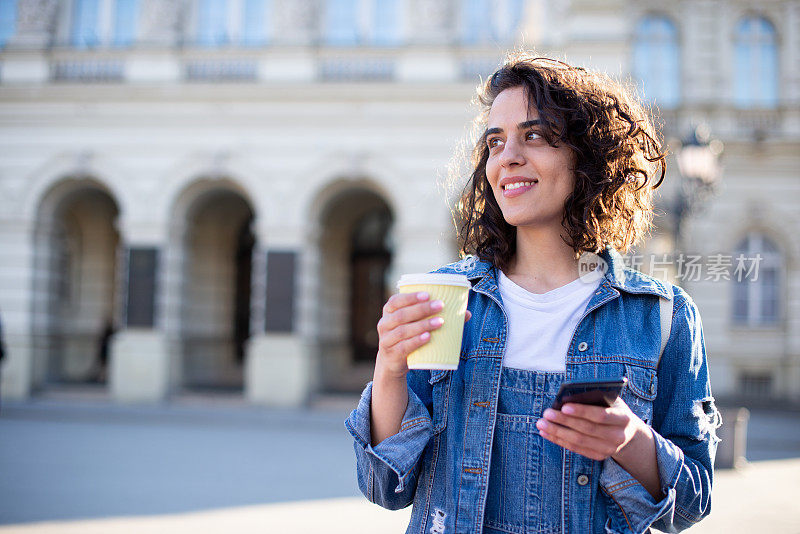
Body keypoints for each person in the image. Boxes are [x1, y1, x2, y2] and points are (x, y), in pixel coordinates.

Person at [345, 51, 720, 534]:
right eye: (495, 142)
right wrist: (390, 368)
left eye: (536, 136)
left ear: (587, 156)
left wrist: (631, 441)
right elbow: (383, 487)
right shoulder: (447, 297)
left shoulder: (664, 318)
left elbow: (692, 505)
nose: (508, 157)